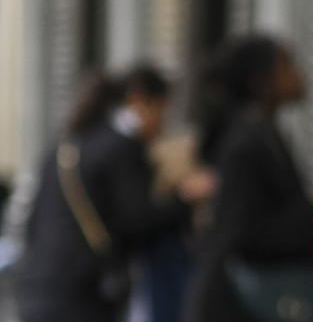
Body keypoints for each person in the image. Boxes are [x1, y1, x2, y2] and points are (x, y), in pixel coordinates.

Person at [18, 65, 206, 322]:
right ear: (140, 100)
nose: (162, 126)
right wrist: (186, 198)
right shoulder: (121, 149)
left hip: (37, 284)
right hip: (84, 291)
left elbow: (32, 222)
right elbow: (138, 220)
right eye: (162, 112)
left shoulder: (65, 147)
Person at [184, 35, 313, 322]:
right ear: (261, 81)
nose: (298, 73)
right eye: (286, 64)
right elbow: (244, 232)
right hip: (237, 304)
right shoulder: (245, 142)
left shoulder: (261, 132)